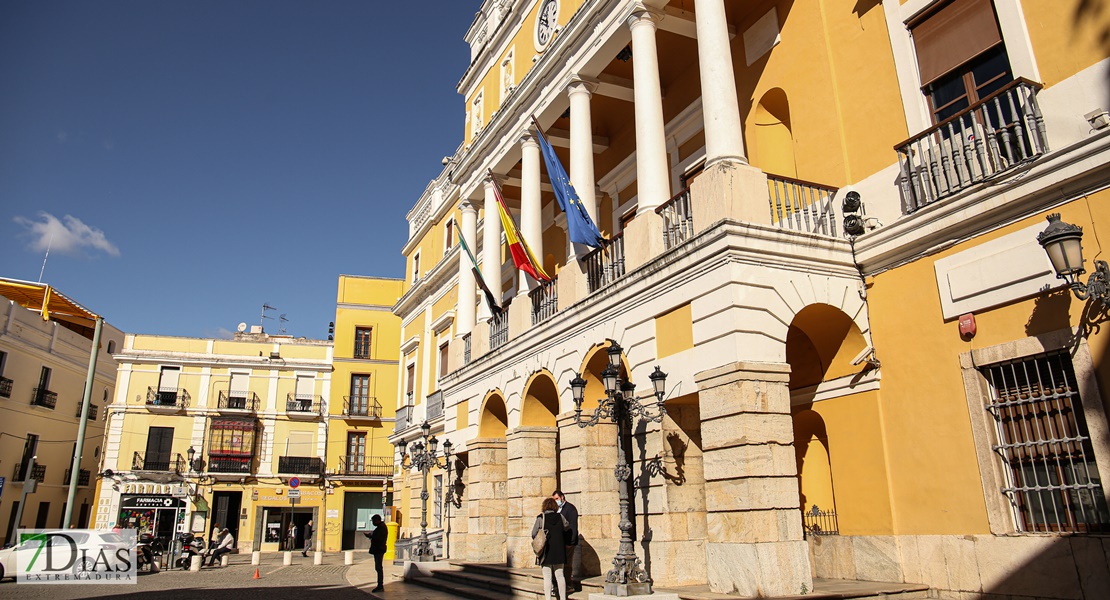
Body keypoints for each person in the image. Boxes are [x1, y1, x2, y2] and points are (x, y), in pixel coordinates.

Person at [531, 497, 570, 600]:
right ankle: (563, 598)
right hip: (559, 550)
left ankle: (548, 598)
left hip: (546, 551)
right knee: (560, 575)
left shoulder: (541, 518)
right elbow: (567, 526)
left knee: (547, 577)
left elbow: (533, 533)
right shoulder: (560, 517)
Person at [553, 490, 580, 584]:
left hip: (568, 541)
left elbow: (573, 526)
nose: (556, 501)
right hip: (560, 542)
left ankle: (568, 583)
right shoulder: (557, 509)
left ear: (562, 497)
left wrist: (571, 542)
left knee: (567, 564)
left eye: (557, 498)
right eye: (554, 499)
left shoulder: (570, 509)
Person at [364, 514, 388, 593]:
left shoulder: (381, 528)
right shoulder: (380, 527)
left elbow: (378, 539)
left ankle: (380, 585)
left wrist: (371, 537)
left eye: (373, 521)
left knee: (378, 568)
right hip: (378, 549)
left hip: (379, 549)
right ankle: (380, 585)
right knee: (378, 568)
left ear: (377, 520)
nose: (373, 523)